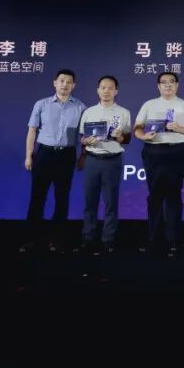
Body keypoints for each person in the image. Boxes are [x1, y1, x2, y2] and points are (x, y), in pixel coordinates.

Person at [133, 72, 184, 252]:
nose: (168, 85)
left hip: (177, 151)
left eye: (172, 82)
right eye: (164, 82)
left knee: (174, 195)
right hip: (153, 151)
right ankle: (152, 239)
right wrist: (144, 136)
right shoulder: (149, 104)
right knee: (154, 195)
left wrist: (179, 128)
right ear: (158, 86)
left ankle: (173, 240)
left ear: (177, 85)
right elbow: (137, 128)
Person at [24, 69, 86, 252]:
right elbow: (32, 130)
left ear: (74, 85)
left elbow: (84, 135)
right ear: (55, 83)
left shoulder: (81, 107)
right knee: (37, 198)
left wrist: (83, 155)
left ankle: (57, 240)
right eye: (61, 81)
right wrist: (29, 155)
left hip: (66, 156)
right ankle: (32, 239)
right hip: (44, 154)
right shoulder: (41, 104)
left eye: (69, 82)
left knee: (62, 199)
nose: (64, 85)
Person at [78, 75, 132, 252]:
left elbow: (127, 139)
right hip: (92, 160)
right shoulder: (89, 112)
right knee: (90, 201)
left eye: (110, 88)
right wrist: (86, 141)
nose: (106, 91)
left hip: (112, 161)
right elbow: (82, 138)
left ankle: (108, 239)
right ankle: (88, 237)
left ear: (116, 91)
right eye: (103, 87)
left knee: (111, 202)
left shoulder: (124, 112)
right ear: (98, 90)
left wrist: (120, 137)